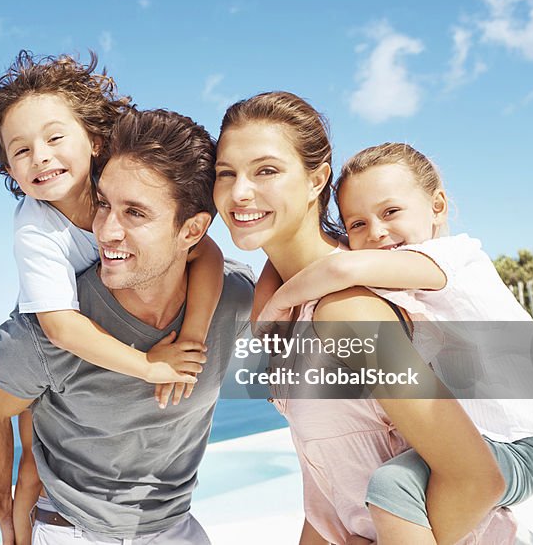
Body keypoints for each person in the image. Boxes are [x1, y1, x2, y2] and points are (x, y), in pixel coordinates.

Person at [213, 92, 516, 544]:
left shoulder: (347, 309)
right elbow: (329, 499)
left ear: (317, 179)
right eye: (226, 174)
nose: (239, 192)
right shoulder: (285, 308)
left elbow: (477, 479)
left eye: (266, 170)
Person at [255, 141, 533, 543]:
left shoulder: (455, 258)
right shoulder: (402, 279)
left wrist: (279, 303)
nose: (378, 232)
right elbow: (290, 260)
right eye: (358, 224)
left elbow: (339, 264)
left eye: (390, 212)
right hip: (493, 439)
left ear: (437, 205)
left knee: (393, 488)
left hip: (514, 443)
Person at [0, 51, 226, 540]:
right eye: (20, 150)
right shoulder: (34, 229)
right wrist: (150, 366)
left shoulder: (124, 180)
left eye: (54, 137)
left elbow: (206, 254)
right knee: (32, 461)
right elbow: (59, 325)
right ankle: (14, 530)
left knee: (35, 452)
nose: (40, 156)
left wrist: (192, 335)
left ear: (95, 139)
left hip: (164, 519)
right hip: (51, 319)